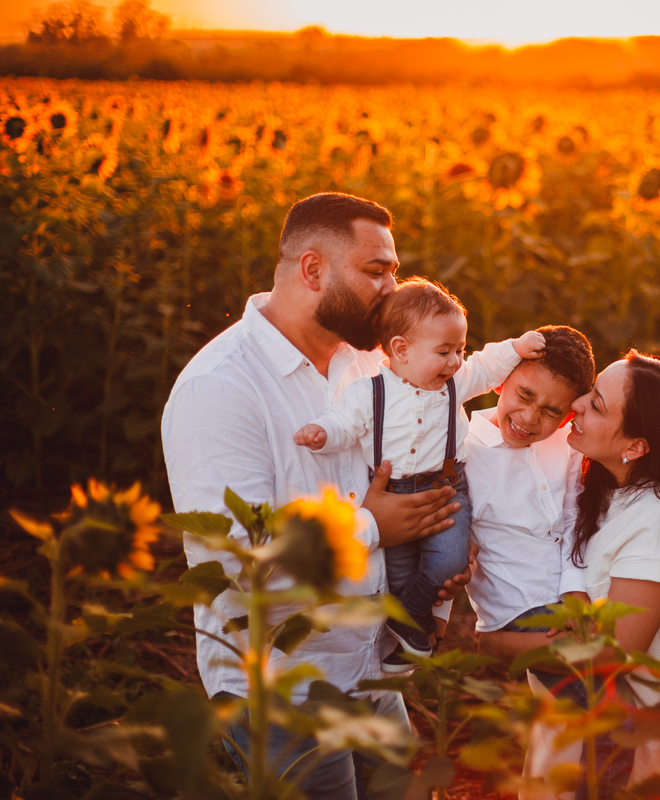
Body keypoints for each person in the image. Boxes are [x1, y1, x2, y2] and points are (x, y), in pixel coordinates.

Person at [161, 192, 468, 800]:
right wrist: (373, 527)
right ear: (312, 270)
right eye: (377, 271)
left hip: (370, 671)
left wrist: (433, 551)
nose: (392, 288)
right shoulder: (219, 389)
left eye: (396, 271)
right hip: (283, 689)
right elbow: (232, 568)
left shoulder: (369, 364)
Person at [477, 350, 660, 799]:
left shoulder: (658, 524)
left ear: (636, 446)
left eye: (597, 403)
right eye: (589, 392)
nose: (576, 405)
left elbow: (610, 657)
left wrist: (497, 644)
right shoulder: (610, 489)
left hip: (617, 750)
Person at [294, 276, 547, 669]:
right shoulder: (369, 392)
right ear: (401, 350)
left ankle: (409, 618)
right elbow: (344, 424)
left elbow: (485, 366)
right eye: (445, 351)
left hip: (446, 488)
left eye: (459, 349)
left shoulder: (453, 384)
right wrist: (322, 433)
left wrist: (515, 348)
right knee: (398, 570)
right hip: (392, 493)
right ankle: (407, 638)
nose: (455, 361)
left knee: (450, 562)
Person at [462, 325, 595, 639]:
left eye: (550, 412)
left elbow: (575, 518)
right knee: (588, 672)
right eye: (525, 395)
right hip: (516, 608)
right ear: (501, 381)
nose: (529, 418)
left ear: (566, 418)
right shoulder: (464, 453)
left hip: (572, 592)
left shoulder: (569, 445)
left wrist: (575, 589)